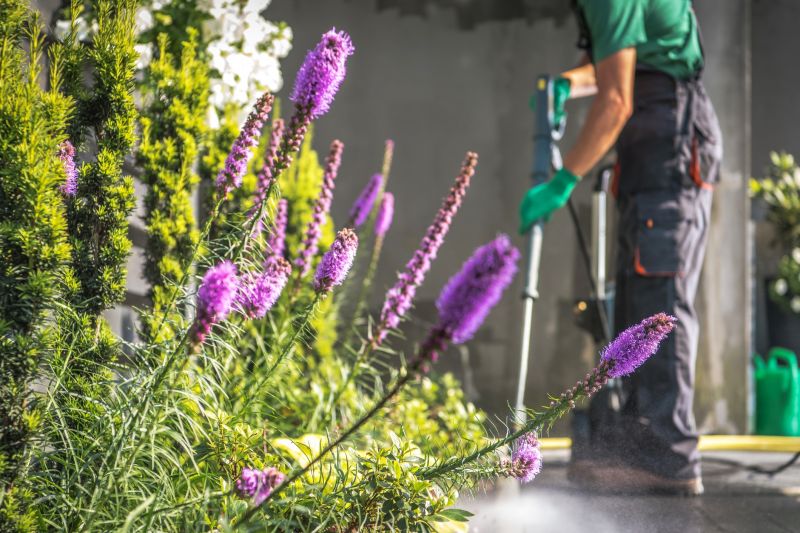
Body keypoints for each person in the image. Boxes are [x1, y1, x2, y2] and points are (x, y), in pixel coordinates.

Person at [519, 0, 722, 495]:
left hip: (670, 141)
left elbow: (616, 101)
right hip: (649, 147)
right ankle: (639, 442)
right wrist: (570, 81)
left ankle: (670, 455)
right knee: (635, 296)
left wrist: (564, 179)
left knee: (660, 300)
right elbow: (623, 64)